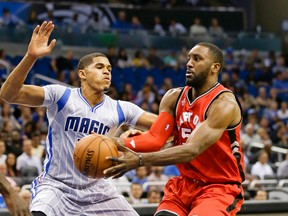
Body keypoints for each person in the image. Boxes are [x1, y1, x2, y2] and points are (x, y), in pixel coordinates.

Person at [0, 21, 157, 215]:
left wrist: (136, 142)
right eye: (99, 67)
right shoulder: (61, 96)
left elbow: (163, 126)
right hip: (57, 187)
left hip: (99, 190)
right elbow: (8, 95)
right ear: (82, 74)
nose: (107, 71)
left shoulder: (121, 108)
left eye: (109, 68)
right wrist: (31, 57)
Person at [105, 42, 245, 216]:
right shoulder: (173, 97)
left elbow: (191, 150)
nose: (189, 63)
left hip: (219, 186)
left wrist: (140, 160)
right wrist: (113, 142)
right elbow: (155, 138)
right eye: (188, 58)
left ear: (214, 67)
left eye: (197, 58)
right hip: (184, 184)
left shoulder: (223, 104)